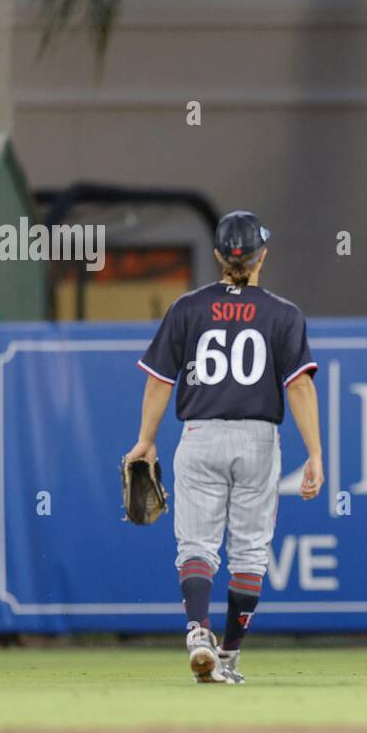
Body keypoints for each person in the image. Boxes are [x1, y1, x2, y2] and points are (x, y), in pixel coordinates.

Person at [126, 210, 324, 683]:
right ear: (263, 256)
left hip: (199, 434)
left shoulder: (187, 309)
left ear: (218, 255)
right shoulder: (283, 313)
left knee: (196, 545)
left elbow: (159, 383)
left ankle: (198, 631)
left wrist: (145, 440)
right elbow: (299, 387)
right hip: (257, 439)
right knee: (250, 552)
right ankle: (229, 654)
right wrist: (315, 453)